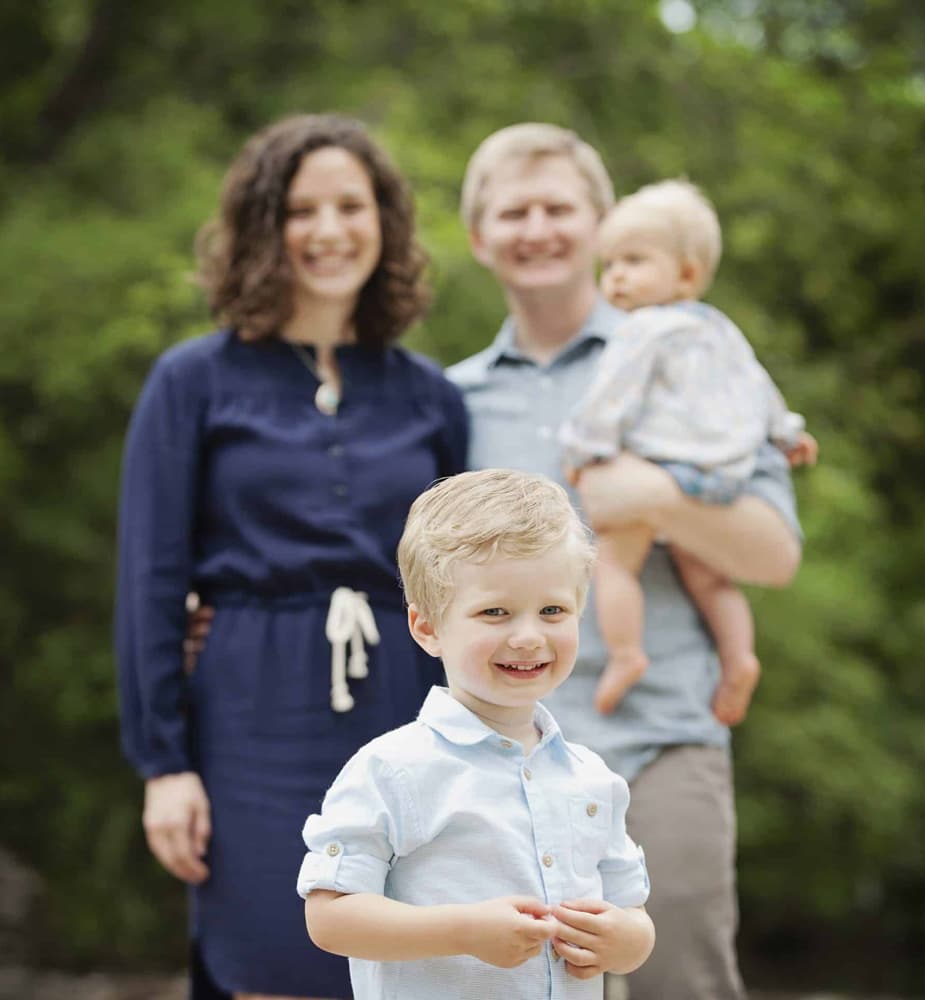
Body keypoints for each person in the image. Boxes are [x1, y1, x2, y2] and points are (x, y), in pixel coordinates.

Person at [115, 113, 469, 1000]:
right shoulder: (191, 382)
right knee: (270, 957)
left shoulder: (430, 395)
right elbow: (151, 581)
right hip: (249, 700)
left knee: (404, 962)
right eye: (301, 209)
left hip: (406, 701)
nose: (328, 230)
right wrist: (164, 764)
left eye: (351, 205)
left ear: (383, 223)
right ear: (263, 228)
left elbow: (469, 582)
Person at [448, 123, 804, 999]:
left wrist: (656, 501)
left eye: (558, 208)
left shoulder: (688, 353)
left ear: (602, 225)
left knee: (683, 983)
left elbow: (776, 553)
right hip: (490, 761)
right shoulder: (446, 402)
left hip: (660, 739)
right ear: (477, 235)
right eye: (513, 211)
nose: (537, 228)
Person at [298, 469, 656, 999]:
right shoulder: (392, 769)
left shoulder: (592, 780)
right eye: (495, 612)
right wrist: (463, 931)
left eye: (553, 610)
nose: (529, 636)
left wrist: (622, 941)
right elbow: (329, 919)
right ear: (428, 628)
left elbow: (634, 918)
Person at [561, 179, 818, 729]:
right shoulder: (720, 328)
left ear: (686, 273)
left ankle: (627, 653)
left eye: (634, 260)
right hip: (724, 475)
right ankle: (739, 657)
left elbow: (610, 400)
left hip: (662, 467)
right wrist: (788, 432)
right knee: (708, 575)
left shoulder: (640, 332)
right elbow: (757, 385)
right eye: (610, 265)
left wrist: (583, 452)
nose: (618, 276)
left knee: (612, 564)